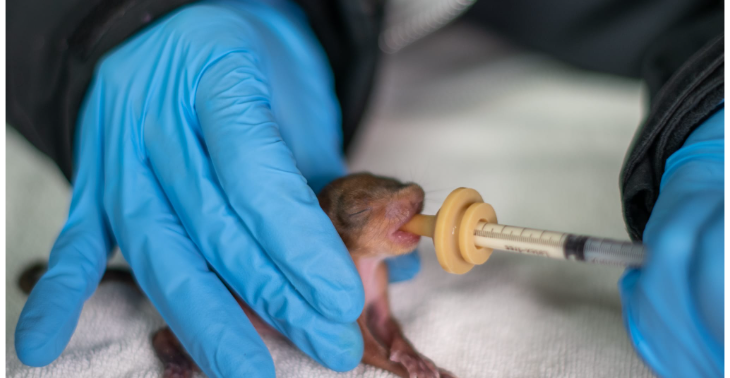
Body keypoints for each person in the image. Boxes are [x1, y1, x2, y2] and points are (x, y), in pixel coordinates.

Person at [8, 0, 723, 377]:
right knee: (206, 284)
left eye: (400, 199)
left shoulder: (364, 253)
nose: (406, 211)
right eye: (372, 211)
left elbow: (379, 329)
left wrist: (713, 104)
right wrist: (111, 16)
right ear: (332, 223)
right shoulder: (329, 239)